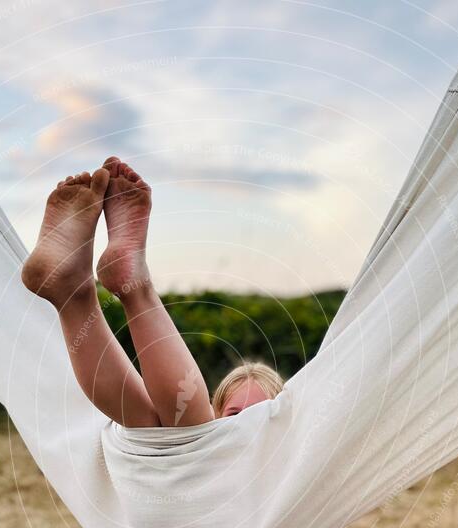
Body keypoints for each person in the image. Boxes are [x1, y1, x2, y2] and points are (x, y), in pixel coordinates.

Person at [21, 156, 283, 427]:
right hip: (183, 459)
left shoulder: (295, 461)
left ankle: (83, 295)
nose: (247, 424)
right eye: (235, 414)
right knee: (154, 426)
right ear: (219, 416)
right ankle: (77, 295)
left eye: (261, 413)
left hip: (185, 461)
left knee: (176, 428)